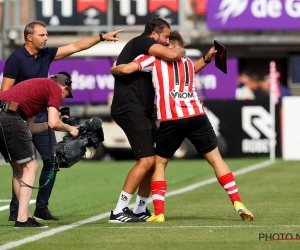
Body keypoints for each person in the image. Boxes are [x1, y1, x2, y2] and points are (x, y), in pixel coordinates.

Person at [110, 31, 254, 223]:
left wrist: (114, 69)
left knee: (159, 164)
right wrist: (208, 58)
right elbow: (195, 68)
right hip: (197, 116)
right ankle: (237, 201)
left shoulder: (153, 59)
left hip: (172, 119)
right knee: (216, 160)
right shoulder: (186, 63)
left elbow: (127, 70)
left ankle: (159, 213)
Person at [1, 20, 123, 221]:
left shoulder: (46, 54)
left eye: (47, 34)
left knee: (52, 160)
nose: (46, 38)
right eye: (42, 35)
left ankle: (41, 207)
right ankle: (18, 212)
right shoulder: (16, 59)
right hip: (17, 116)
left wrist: (101, 37)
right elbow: (5, 92)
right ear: (29, 37)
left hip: (39, 114)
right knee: (22, 166)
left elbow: (76, 46)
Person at [109, 18, 186, 223]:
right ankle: (119, 210)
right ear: (154, 34)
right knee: (147, 160)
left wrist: (205, 58)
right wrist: (181, 51)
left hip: (141, 112)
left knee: (155, 161)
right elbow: (172, 54)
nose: (167, 41)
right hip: (129, 109)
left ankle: (140, 208)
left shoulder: (149, 55)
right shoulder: (141, 42)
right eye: (166, 37)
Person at [0, 73, 79, 228]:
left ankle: (25, 215)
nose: (63, 99)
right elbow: (53, 122)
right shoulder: (54, 88)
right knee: (32, 167)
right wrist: (70, 128)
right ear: (64, 88)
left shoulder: (38, 91)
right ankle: (22, 219)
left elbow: (31, 128)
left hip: (4, 115)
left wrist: (58, 122)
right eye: (67, 94)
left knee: (20, 170)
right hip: (9, 117)